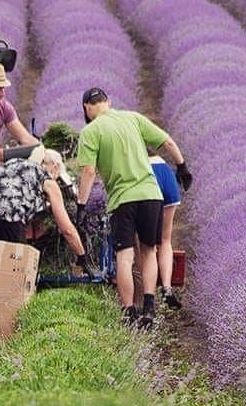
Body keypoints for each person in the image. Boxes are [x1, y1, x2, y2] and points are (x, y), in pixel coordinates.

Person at [75, 87, 191, 330]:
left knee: (125, 257)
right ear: (108, 102)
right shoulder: (133, 118)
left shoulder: (90, 131)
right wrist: (181, 166)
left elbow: (87, 171)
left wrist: (81, 205)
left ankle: (129, 311)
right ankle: (149, 307)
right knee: (149, 250)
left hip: (123, 199)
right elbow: (167, 141)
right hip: (151, 194)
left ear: (87, 107)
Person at [0, 149, 100, 279]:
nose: (57, 178)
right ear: (55, 166)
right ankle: (11, 299)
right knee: (13, 269)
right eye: (58, 175)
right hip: (8, 214)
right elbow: (66, 229)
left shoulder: (15, 164)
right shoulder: (47, 179)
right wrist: (82, 257)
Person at [148, 152, 182, 309]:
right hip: (167, 177)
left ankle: (147, 295)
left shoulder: (134, 158)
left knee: (146, 245)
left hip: (147, 177)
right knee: (165, 240)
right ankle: (167, 287)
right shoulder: (162, 161)